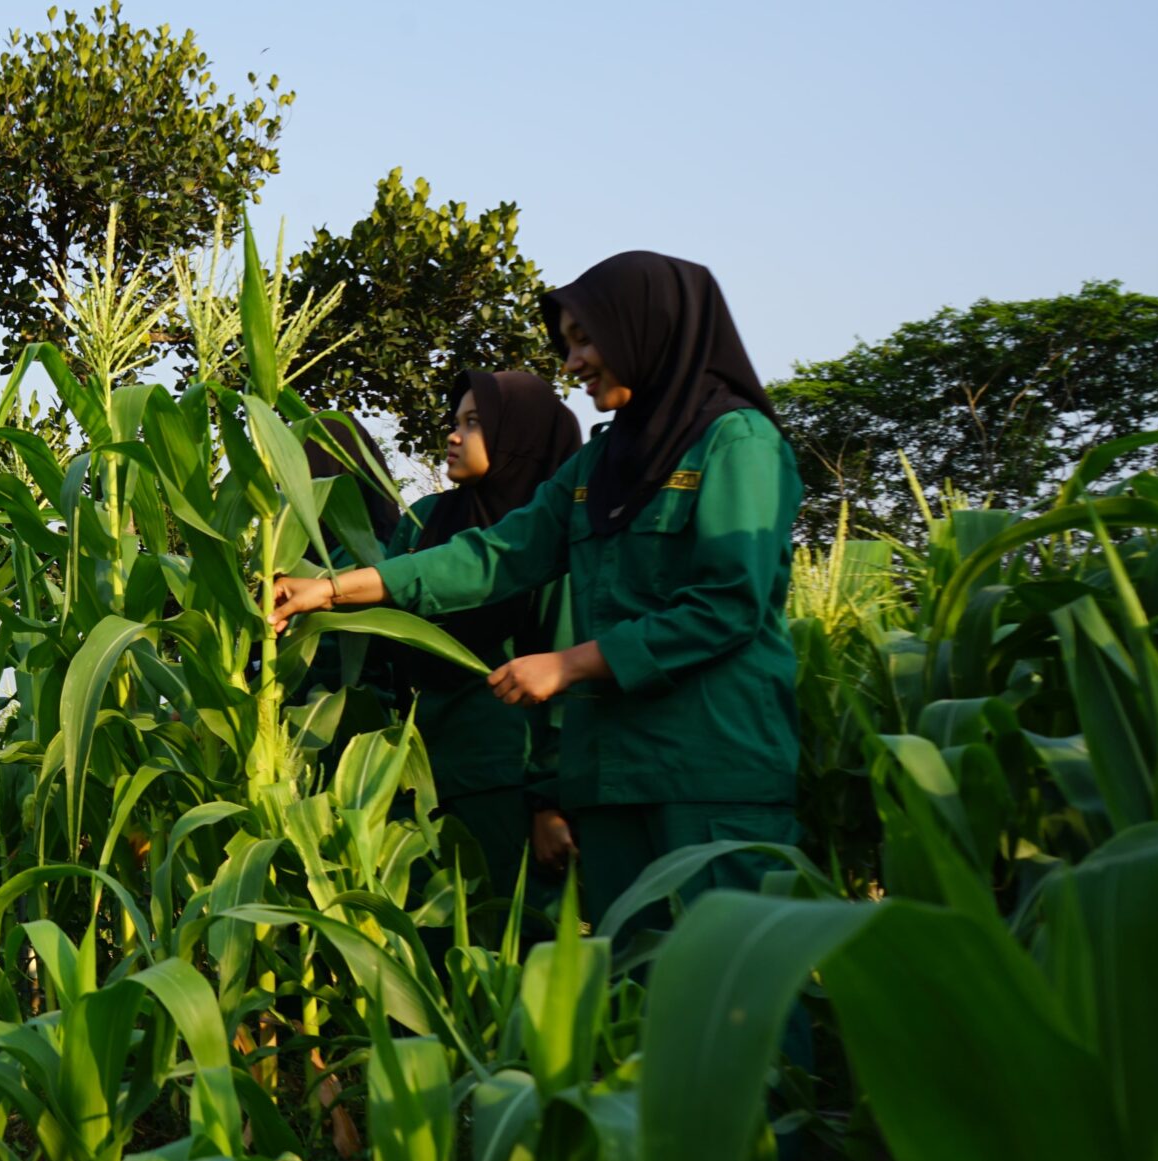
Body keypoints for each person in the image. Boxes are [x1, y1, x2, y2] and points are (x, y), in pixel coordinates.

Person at [271, 252, 801, 939]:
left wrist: (569, 665)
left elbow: (730, 603)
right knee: (632, 993)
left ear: (649, 328)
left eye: (586, 339)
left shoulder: (737, 443)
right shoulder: (597, 467)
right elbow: (495, 555)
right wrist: (330, 589)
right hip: (609, 775)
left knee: (739, 985)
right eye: (568, 343)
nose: (573, 362)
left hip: (710, 769)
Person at [375, 371, 581, 913]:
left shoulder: (546, 537)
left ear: (519, 437)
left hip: (507, 778)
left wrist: (549, 801)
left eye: (474, 424)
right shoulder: (423, 522)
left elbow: (563, 672)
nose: (453, 436)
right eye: (454, 422)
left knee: (513, 938)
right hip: (420, 777)